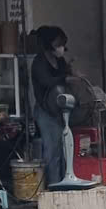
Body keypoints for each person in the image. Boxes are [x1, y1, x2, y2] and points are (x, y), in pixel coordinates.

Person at [29, 24, 74, 188]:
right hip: (46, 112)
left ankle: (64, 182)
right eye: (58, 44)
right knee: (52, 151)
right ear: (48, 43)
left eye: (62, 44)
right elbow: (46, 81)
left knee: (63, 149)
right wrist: (64, 78)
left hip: (61, 110)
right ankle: (54, 186)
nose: (61, 47)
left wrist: (70, 72)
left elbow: (66, 74)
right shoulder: (39, 62)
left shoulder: (59, 60)